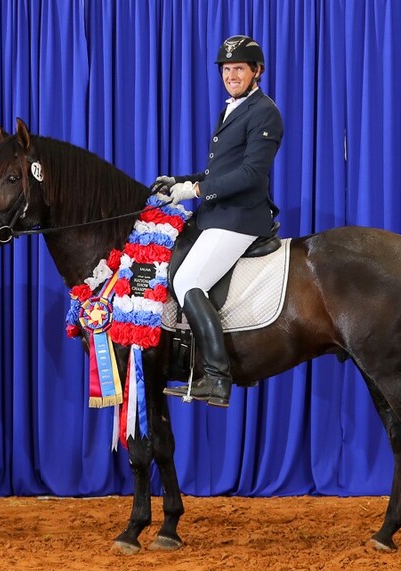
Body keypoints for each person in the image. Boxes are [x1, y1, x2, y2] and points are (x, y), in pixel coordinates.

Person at [154, 35, 284, 407]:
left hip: (240, 218)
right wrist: (179, 181)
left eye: (238, 68)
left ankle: (216, 377)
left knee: (188, 281)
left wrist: (196, 190)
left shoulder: (265, 112)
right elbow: (219, 171)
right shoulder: (233, 108)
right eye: (226, 70)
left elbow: (250, 175)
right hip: (218, 214)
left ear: (257, 71)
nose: (231, 76)